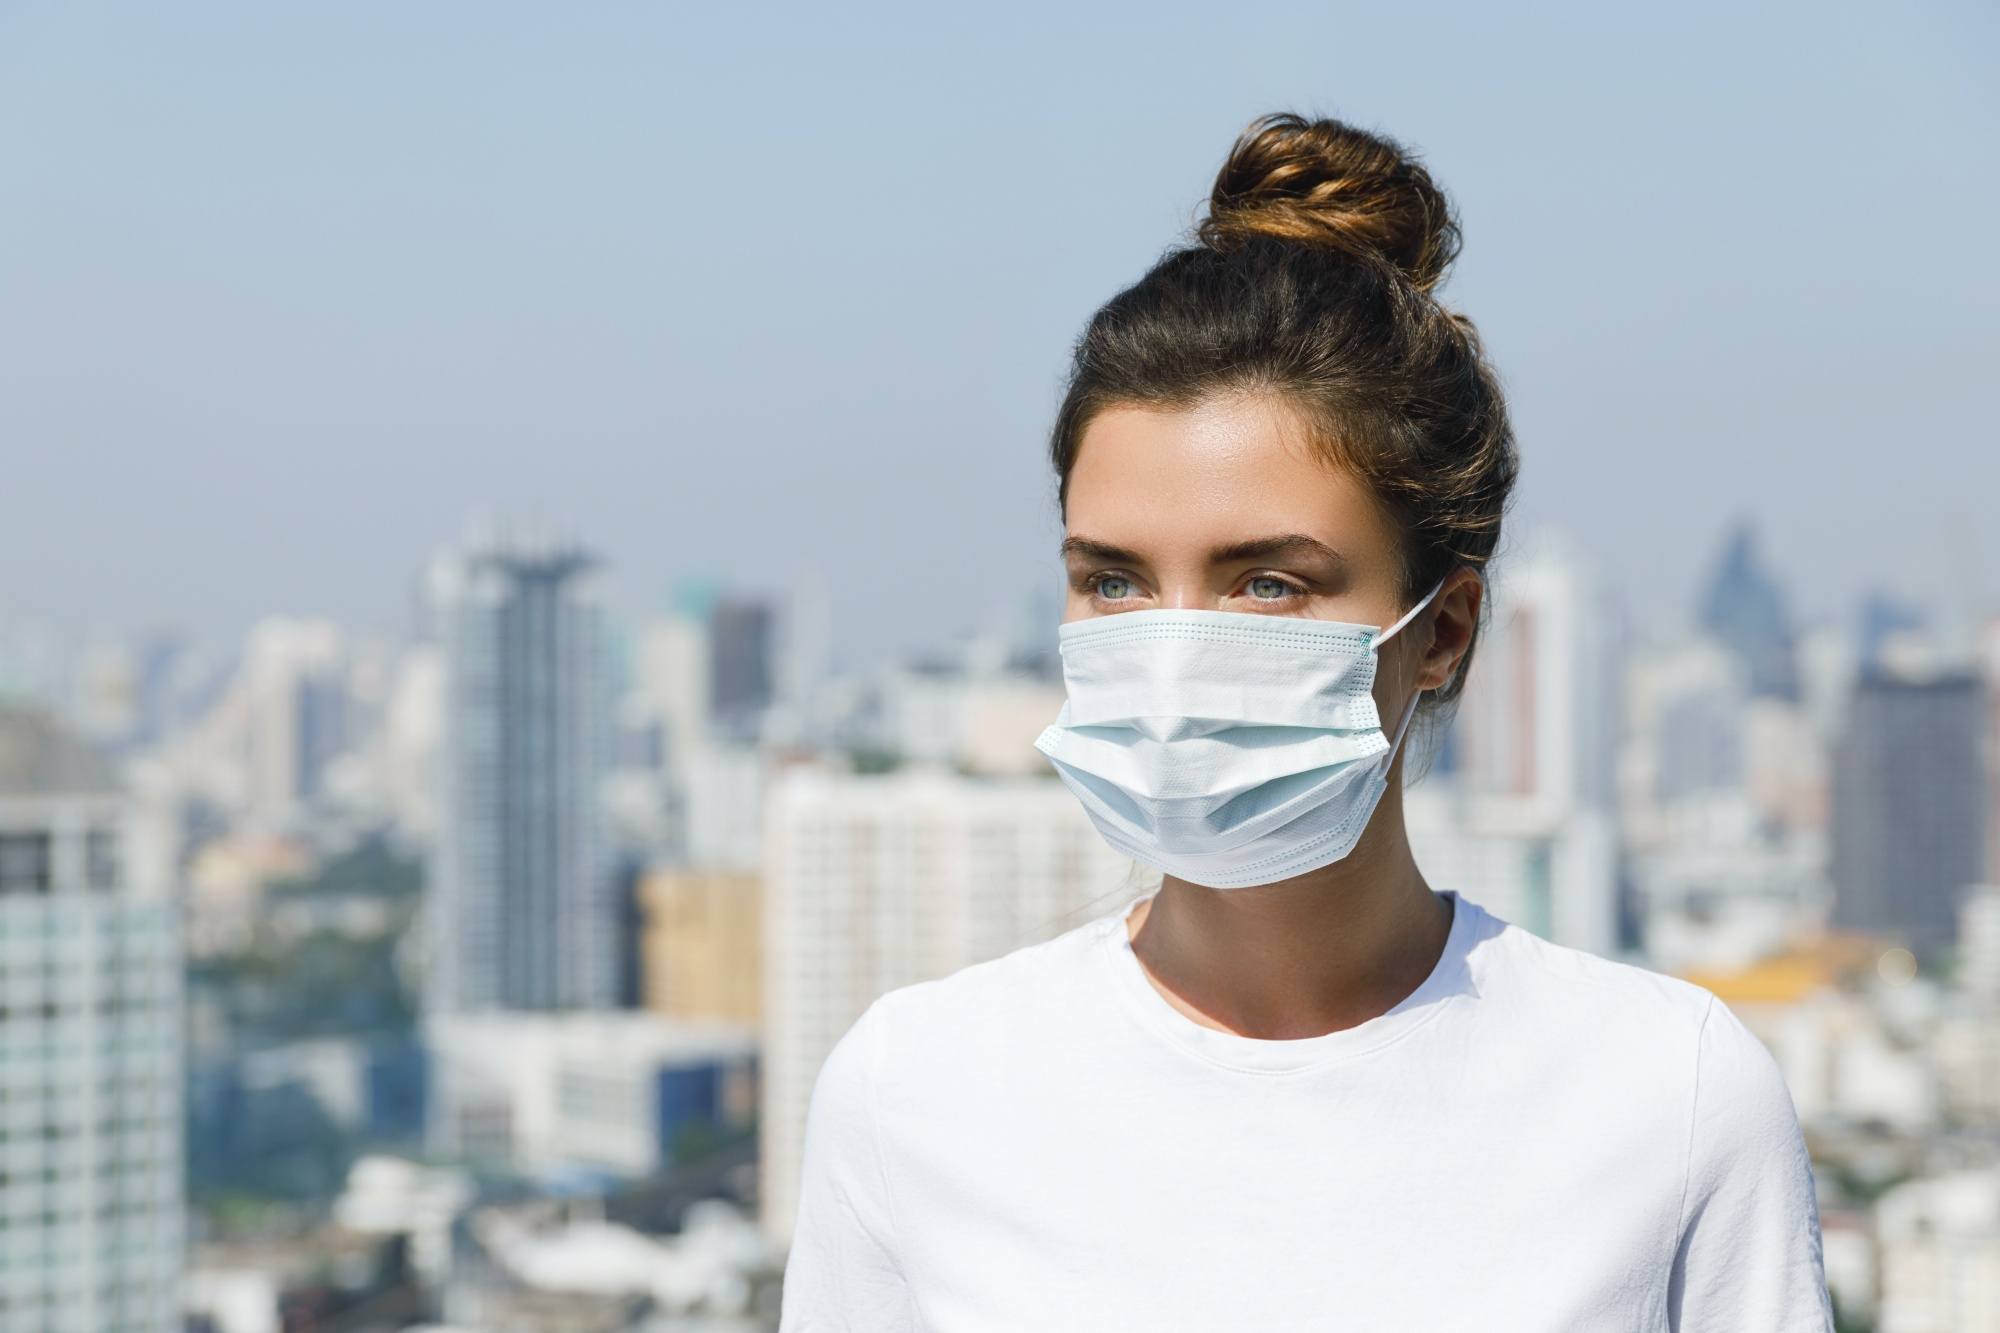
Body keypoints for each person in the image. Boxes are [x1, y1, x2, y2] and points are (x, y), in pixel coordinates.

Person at [779, 110, 1834, 1331]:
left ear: (1441, 630)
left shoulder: (1668, 1098)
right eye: (1112, 578)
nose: (1170, 649)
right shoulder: (915, 1091)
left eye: (1266, 581)